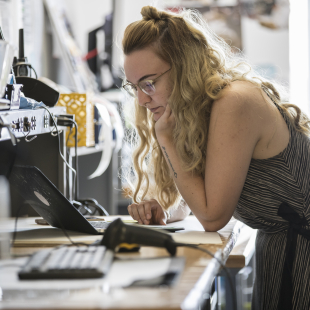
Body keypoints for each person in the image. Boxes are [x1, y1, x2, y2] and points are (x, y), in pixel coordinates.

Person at [121, 5, 310, 310]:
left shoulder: (234, 101)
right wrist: (164, 212)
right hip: (283, 247)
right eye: (135, 88)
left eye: (149, 83)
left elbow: (211, 216)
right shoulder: (203, 113)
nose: (142, 100)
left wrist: (166, 138)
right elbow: (196, 200)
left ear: (183, 67)